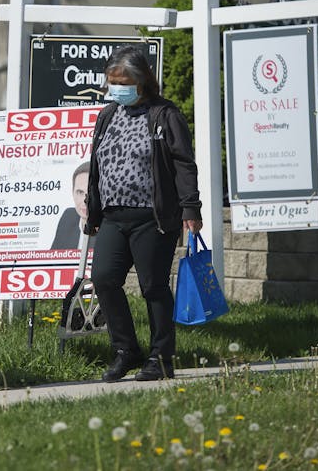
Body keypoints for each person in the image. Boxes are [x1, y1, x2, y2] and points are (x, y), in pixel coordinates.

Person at [84, 45, 202, 382]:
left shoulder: (165, 115)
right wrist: (93, 209)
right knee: (104, 279)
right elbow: (97, 165)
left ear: (143, 80)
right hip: (112, 216)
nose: (116, 87)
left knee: (153, 287)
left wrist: (190, 207)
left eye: (123, 81)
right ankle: (126, 351)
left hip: (152, 217)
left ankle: (161, 358)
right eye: (112, 81)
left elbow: (183, 164)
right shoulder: (108, 114)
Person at [50, 162, 92, 250]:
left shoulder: (110, 226)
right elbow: (52, 259)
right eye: (80, 192)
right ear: (72, 192)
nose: (85, 200)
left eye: (90, 193)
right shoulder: (68, 217)